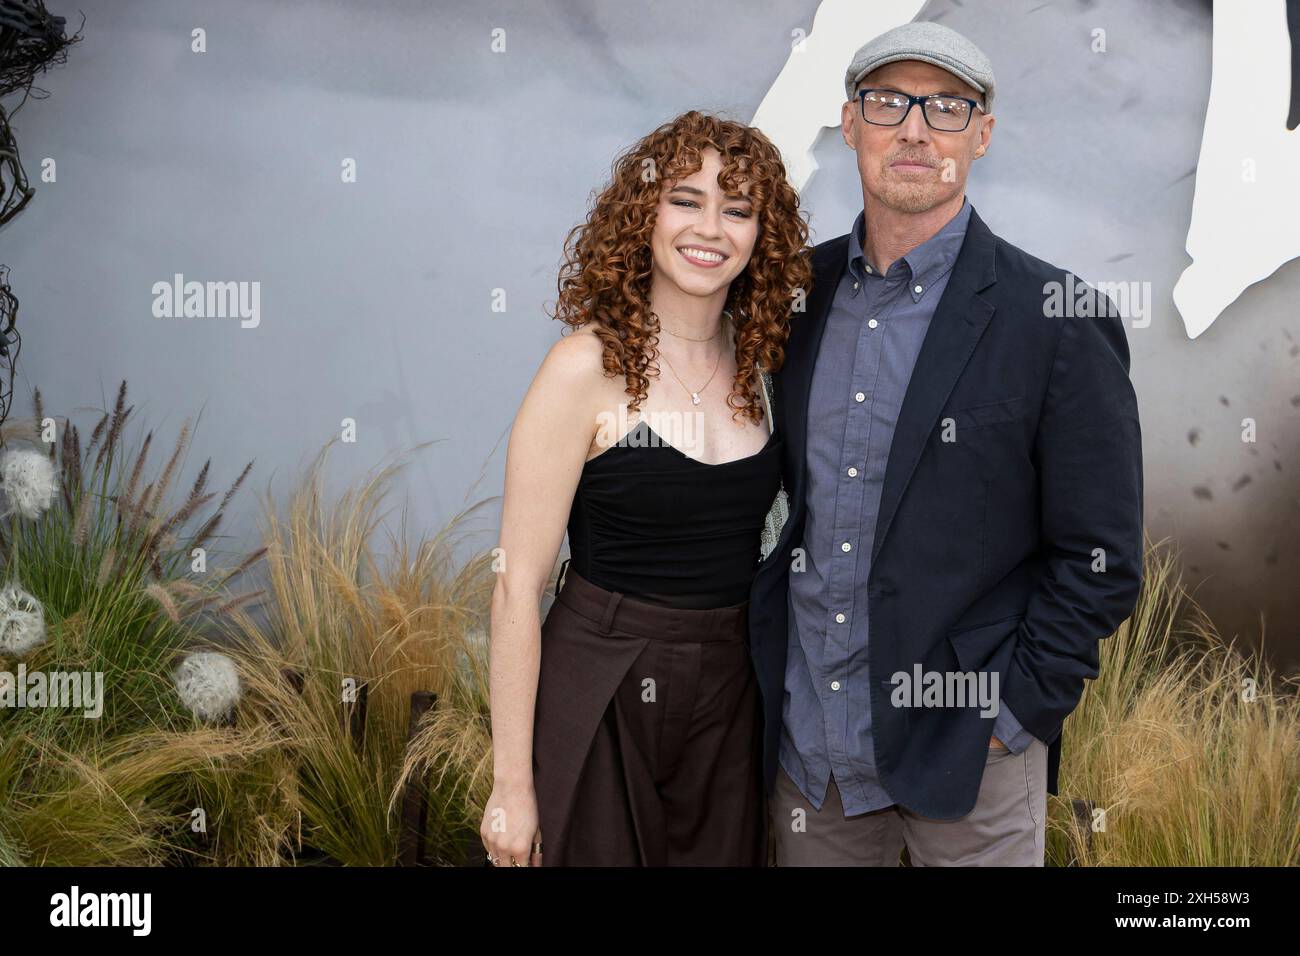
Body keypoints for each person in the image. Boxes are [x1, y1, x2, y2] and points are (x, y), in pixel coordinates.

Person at [749, 21, 1145, 865]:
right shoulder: (791, 297)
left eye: (948, 107)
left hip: (973, 760)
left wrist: (1013, 717)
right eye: (889, 103)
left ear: (983, 134)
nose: (916, 130)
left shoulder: (1058, 319)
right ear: (850, 123)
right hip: (809, 760)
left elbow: (1101, 558)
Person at [480, 110, 810, 866]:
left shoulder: (767, 369)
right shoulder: (583, 367)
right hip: (599, 679)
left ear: (763, 235)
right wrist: (511, 786)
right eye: (686, 200)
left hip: (732, 694)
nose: (710, 228)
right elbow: (515, 588)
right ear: (644, 214)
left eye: (738, 210)